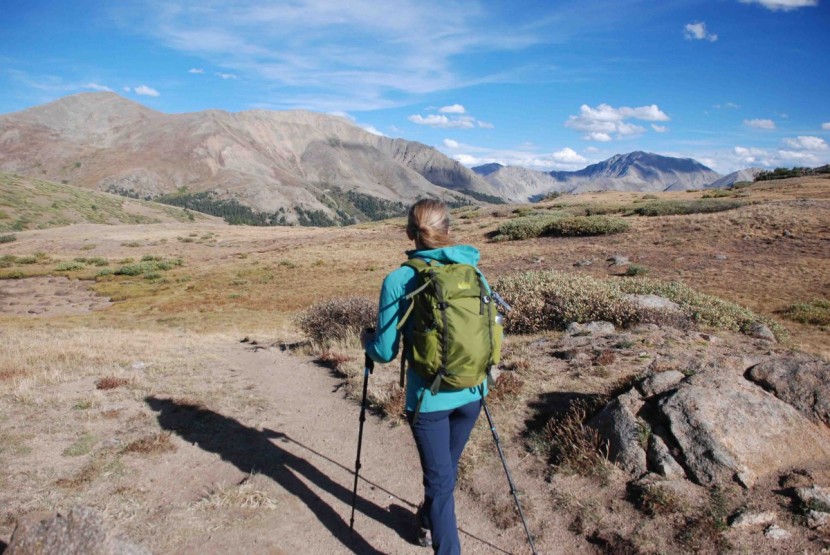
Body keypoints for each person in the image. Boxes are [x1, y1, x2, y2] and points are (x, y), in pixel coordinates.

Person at [361, 199, 489, 555]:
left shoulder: (399, 279)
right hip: (474, 392)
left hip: (429, 402)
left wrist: (366, 342)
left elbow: (384, 352)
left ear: (409, 233)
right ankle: (427, 522)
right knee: (445, 474)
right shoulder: (472, 270)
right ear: (448, 231)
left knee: (439, 485)